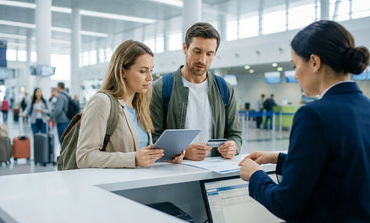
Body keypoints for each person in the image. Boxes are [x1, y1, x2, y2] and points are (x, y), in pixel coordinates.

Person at [239, 20, 370, 222]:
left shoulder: (313, 115)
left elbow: (285, 204)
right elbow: (342, 170)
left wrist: (255, 175)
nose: (296, 75)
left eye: (295, 65)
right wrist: (280, 158)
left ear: (314, 62)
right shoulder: (365, 107)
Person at [76, 40, 182, 168]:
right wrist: (133, 159)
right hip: (113, 186)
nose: (150, 78)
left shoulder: (140, 106)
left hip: (139, 183)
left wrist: (165, 158)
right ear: (123, 71)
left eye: (151, 71)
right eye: (143, 71)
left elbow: (141, 155)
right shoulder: (102, 102)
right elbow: (84, 157)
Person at [150, 22, 242, 161]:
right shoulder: (161, 88)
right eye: (197, 51)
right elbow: (151, 138)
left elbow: (235, 134)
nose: (202, 60)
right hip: (175, 172)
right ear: (185, 48)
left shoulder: (224, 89)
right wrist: (183, 152)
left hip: (214, 173)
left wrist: (233, 146)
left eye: (209, 54)